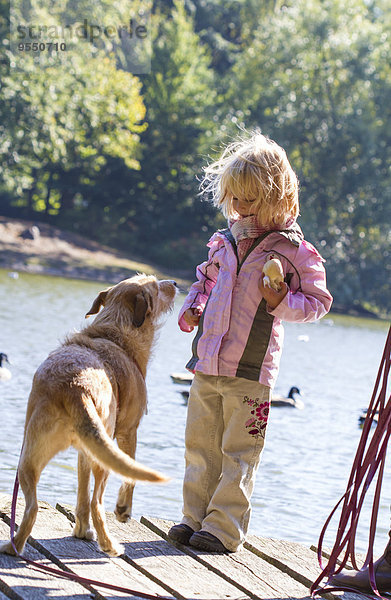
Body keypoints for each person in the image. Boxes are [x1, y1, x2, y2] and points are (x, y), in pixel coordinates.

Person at [168, 130, 333, 553]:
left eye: (250, 200)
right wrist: (192, 308)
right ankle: (194, 518)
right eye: (234, 199)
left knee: (238, 452)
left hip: (252, 371)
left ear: (278, 197)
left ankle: (223, 530)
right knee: (200, 446)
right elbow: (204, 281)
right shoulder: (224, 241)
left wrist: (282, 301)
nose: (239, 209)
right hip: (207, 363)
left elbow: (318, 301)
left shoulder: (294, 250)